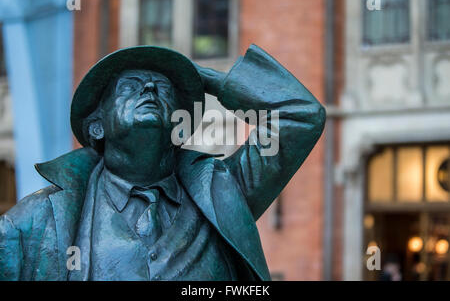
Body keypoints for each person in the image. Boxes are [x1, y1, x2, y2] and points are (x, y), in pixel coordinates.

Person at [0, 44, 325, 280]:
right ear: (96, 125)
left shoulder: (225, 192)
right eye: (129, 87)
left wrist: (212, 81)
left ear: (181, 124)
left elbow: (301, 117)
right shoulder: (35, 223)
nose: (151, 88)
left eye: (165, 89)